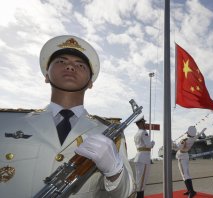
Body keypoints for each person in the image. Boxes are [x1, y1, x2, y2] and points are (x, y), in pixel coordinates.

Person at [0, 35, 134, 197]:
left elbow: (126, 193)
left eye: (80, 65)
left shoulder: (109, 131)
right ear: (47, 75)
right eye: (61, 62)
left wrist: (115, 171)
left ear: (91, 82)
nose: (70, 67)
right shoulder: (6, 122)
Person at [172, 126, 204, 198]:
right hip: (186, 155)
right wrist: (201, 132)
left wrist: (172, 143)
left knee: (185, 175)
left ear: (188, 132)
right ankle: (189, 190)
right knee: (186, 174)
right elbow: (197, 135)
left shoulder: (184, 140)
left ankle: (191, 192)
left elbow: (177, 148)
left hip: (182, 156)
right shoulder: (193, 138)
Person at [133, 116, 155, 198]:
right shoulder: (144, 132)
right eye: (143, 122)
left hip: (139, 157)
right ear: (140, 123)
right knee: (142, 183)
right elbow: (149, 145)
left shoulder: (136, 134)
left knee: (139, 181)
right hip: (144, 159)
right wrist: (153, 143)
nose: (144, 124)